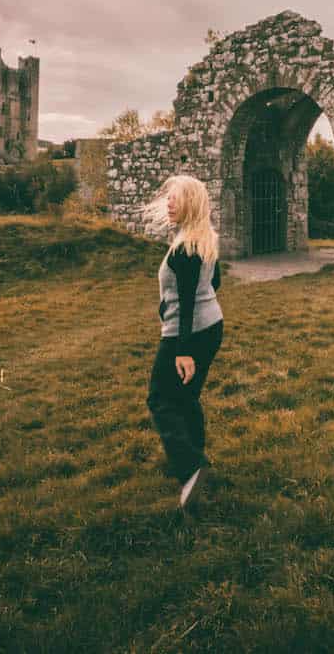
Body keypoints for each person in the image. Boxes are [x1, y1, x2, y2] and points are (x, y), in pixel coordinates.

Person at [142, 175, 224, 510]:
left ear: (190, 202)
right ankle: (197, 457)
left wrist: (184, 351)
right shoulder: (202, 238)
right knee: (187, 397)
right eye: (169, 198)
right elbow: (214, 281)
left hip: (186, 333)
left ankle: (190, 466)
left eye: (175, 198)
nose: (169, 203)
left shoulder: (186, 247)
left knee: (161, 399)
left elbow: (189, 299)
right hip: (211, 326)